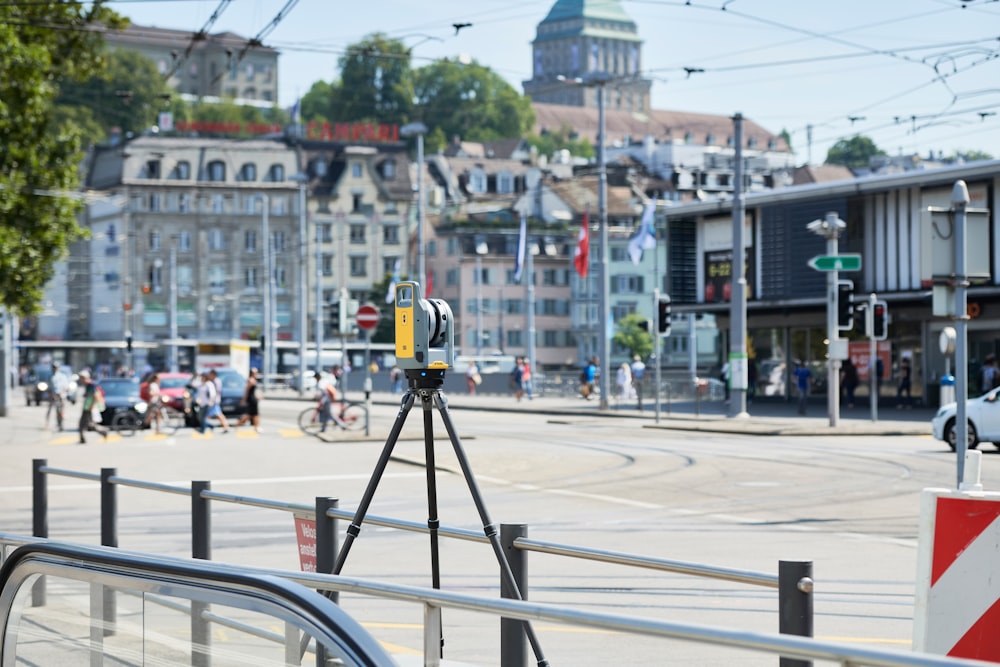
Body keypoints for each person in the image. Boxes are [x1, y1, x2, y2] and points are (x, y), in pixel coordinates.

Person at [77, 370, 108, 444]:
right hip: (87, 406)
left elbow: (95, 396)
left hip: (89, 407)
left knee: (82, 424)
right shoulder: (88, 385)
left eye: (81, 378)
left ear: (84, 378)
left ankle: (83, 439)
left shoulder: (91, 385)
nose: (80, 379)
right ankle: (103, 432)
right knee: (89, 424)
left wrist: (92, 405)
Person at [235, 368, 262, 433]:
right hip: (251, 399)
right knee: (254, 414)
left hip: (253, 398)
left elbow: (254, 391)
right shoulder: (250, 380)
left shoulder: (254, 380)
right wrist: (244, 399)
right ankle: (255, 427)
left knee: (251, 414)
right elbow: (246, 390)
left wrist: (258, 396)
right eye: (254, 373)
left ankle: (239, 424)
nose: (256, 374)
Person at [45, 364, 70, 431]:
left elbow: (66, 386)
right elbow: (48, 386)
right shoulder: (50, 376)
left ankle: (60, 425)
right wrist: (50, 393)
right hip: (52, 395)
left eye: (56, 368)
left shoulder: (62, 376)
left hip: (60, 396)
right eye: (53, 368)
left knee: (60, 411)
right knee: (49, 410)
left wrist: (62, 393)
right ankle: (47, 424)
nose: (54, 369)